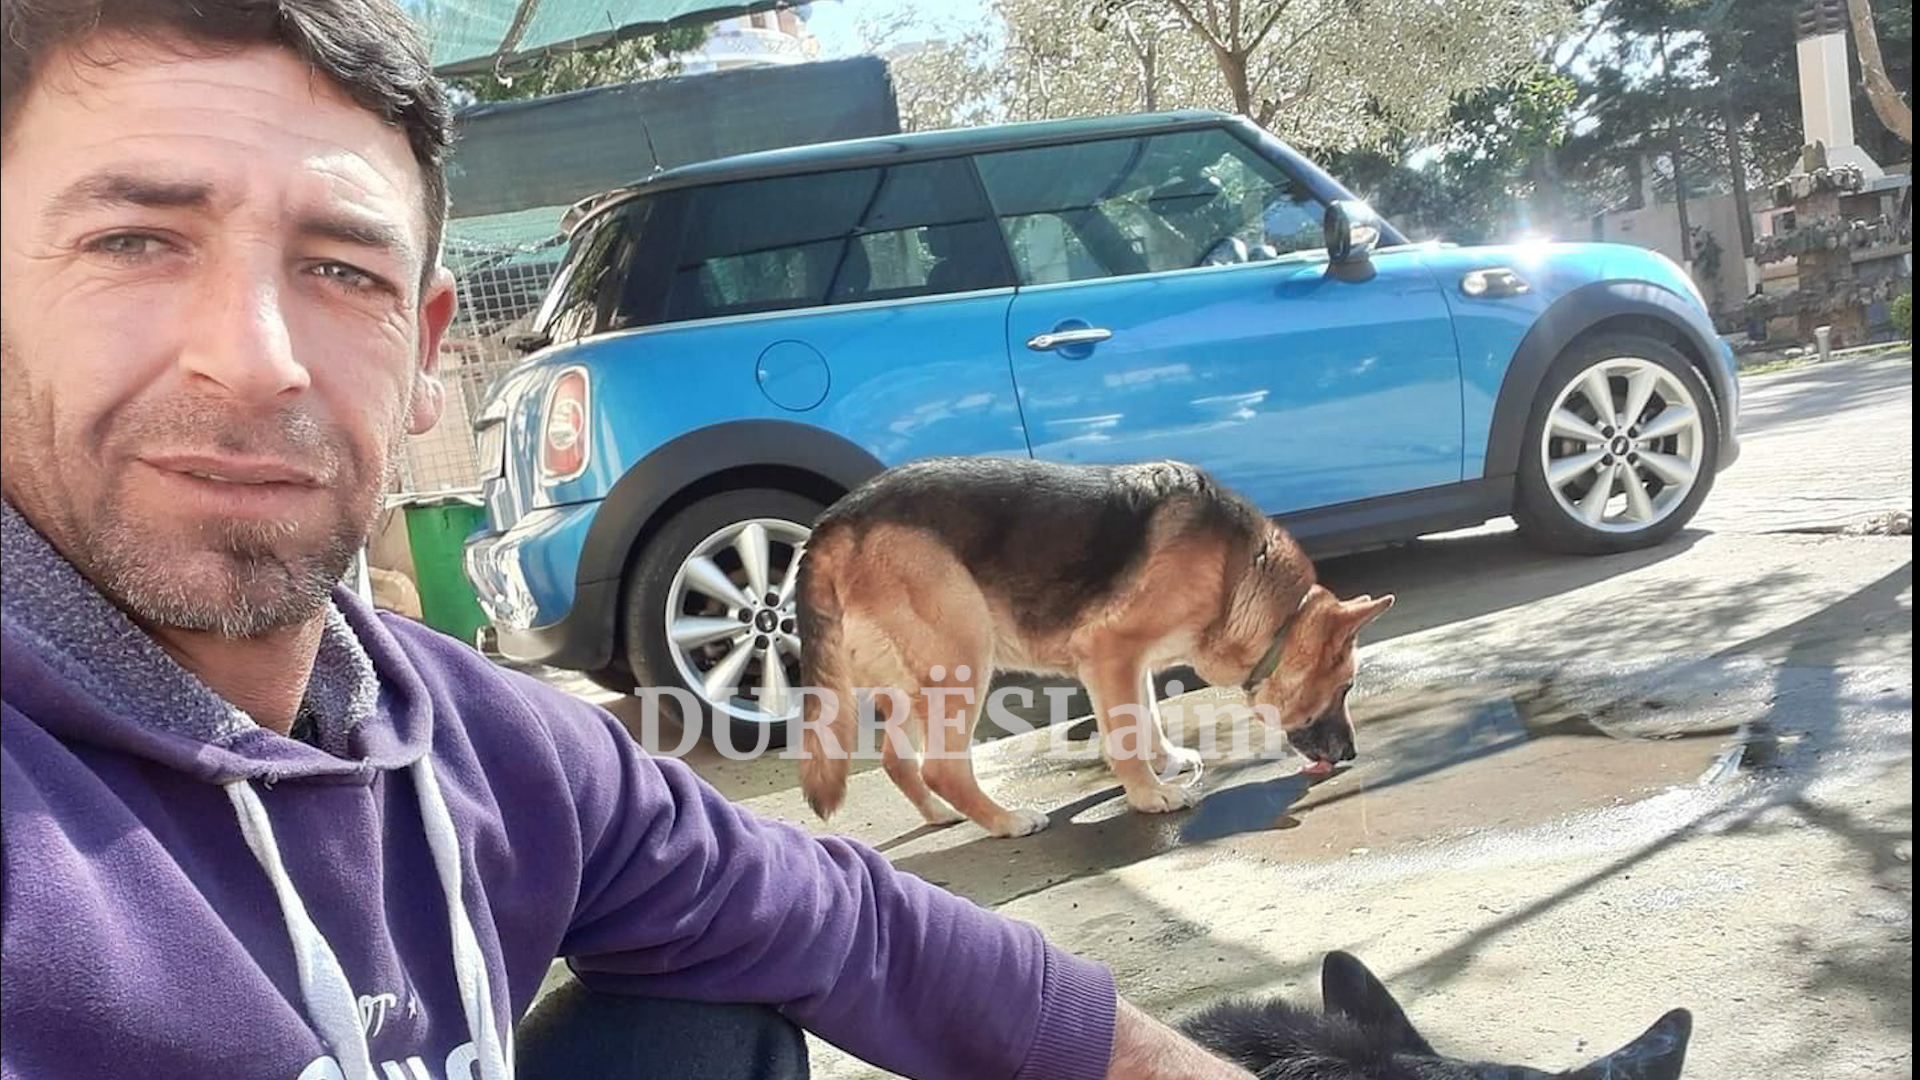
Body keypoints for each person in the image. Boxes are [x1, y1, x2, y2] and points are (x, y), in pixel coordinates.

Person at [0, 1, 1256, 1078]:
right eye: (133, 243)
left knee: (708, 1020)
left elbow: (852, 927)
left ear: (427, 350)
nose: (255, 358)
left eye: (342, 271)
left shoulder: (476, 738)